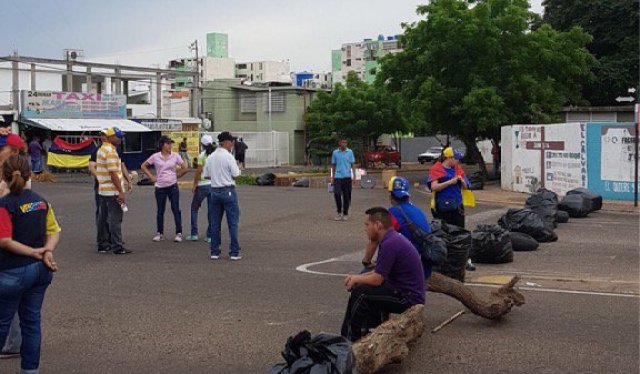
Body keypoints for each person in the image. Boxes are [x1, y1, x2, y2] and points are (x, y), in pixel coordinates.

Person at [0, 154, 61, 374]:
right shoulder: (41, 202)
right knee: (31, 323)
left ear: (4, 177)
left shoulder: (4, 206)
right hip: (40, 272)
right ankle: (30, 370)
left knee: (3, 323)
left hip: (11, 271)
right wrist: (47, 251)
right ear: (29, 175)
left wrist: (34, 251)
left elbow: (4, 241)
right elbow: (54, 231)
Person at [341, 207, 425, 342]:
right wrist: (358, 278)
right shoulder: (390, 239)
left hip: (409, 298)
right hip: (400, 290)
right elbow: (378, 272)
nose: (365, 229)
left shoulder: (390, 243)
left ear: (378, 225)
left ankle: (350, 339)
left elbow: (377, 280)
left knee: (361, 293)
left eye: (367, 225)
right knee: (364, 286)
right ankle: (368, 331)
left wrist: (357, 279)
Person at [361, 177, 433, 278]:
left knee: (362, 279)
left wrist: (366, 261)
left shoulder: (393, 213)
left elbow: (375, 239)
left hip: (407, 268)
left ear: (391, 196)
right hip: (423, 265)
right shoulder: (417, 210)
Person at [202, 131, 242, 261]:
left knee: (214, 223)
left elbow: (206, 175)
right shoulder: (228, 157)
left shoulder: (211, 157)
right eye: (231, 141)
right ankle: (234, 252)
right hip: (228, 190)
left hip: (214, 190)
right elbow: (236, 174)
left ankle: (215, 251)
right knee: (233, 223)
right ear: (226, 142)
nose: (233, 144)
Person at [89, 135, 132, 253]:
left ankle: (103, 244)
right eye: (117, 137)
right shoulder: (110, 151)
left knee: (103, 217)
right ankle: (117, 246)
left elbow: (121, 166)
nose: (120, 139)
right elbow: (113, 173)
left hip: (103, 189)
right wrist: (120, 191)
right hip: (112, 190)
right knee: (115, 218)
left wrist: (128, 180)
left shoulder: (102, 150)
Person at [141, 136, 188, 243]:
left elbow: (185, 168)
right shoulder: (156, 156)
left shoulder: (175, 156)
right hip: (160, 186)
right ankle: (159, 233)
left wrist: (177, 176)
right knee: (160, 210)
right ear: (162, 145)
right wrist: (151, 177)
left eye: (171, 144)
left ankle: (179, 233)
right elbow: (143, 166)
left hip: (172, 185)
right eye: (168, 144)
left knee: (176, 209)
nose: (170, 146)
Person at [427, 147, 470, 228]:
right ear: (449, 158)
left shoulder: (457, 168)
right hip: (443, 206)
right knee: (445, 231)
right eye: (456, 158)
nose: (458, 161)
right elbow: (434, 187)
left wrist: (462, 180)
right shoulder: (437, 168)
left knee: (459, 231)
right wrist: (450, 182)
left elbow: (466, 187)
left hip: (457, 205)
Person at [186, 135, 216, 242]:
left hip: (203, 184)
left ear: (201, 144)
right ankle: (210, 235)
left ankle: (194, 233)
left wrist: (194, 185)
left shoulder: (202, 155)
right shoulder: (215, 155)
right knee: (211, 211)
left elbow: (198, 172)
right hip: (213, 184)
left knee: (194, 208)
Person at [331, 139, 355, 221]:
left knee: (347, 196)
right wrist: (332, 177)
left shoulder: (350, 152)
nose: (344, 144)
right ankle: (339, 211)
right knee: (337, 194)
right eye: (343, 142)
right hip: (338, 176)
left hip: (347, 176)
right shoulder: (335, 153)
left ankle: (345, 213)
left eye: (346, 142)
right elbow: (333, 165)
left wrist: (354, 176)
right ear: (339, 143)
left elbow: (353, 164)